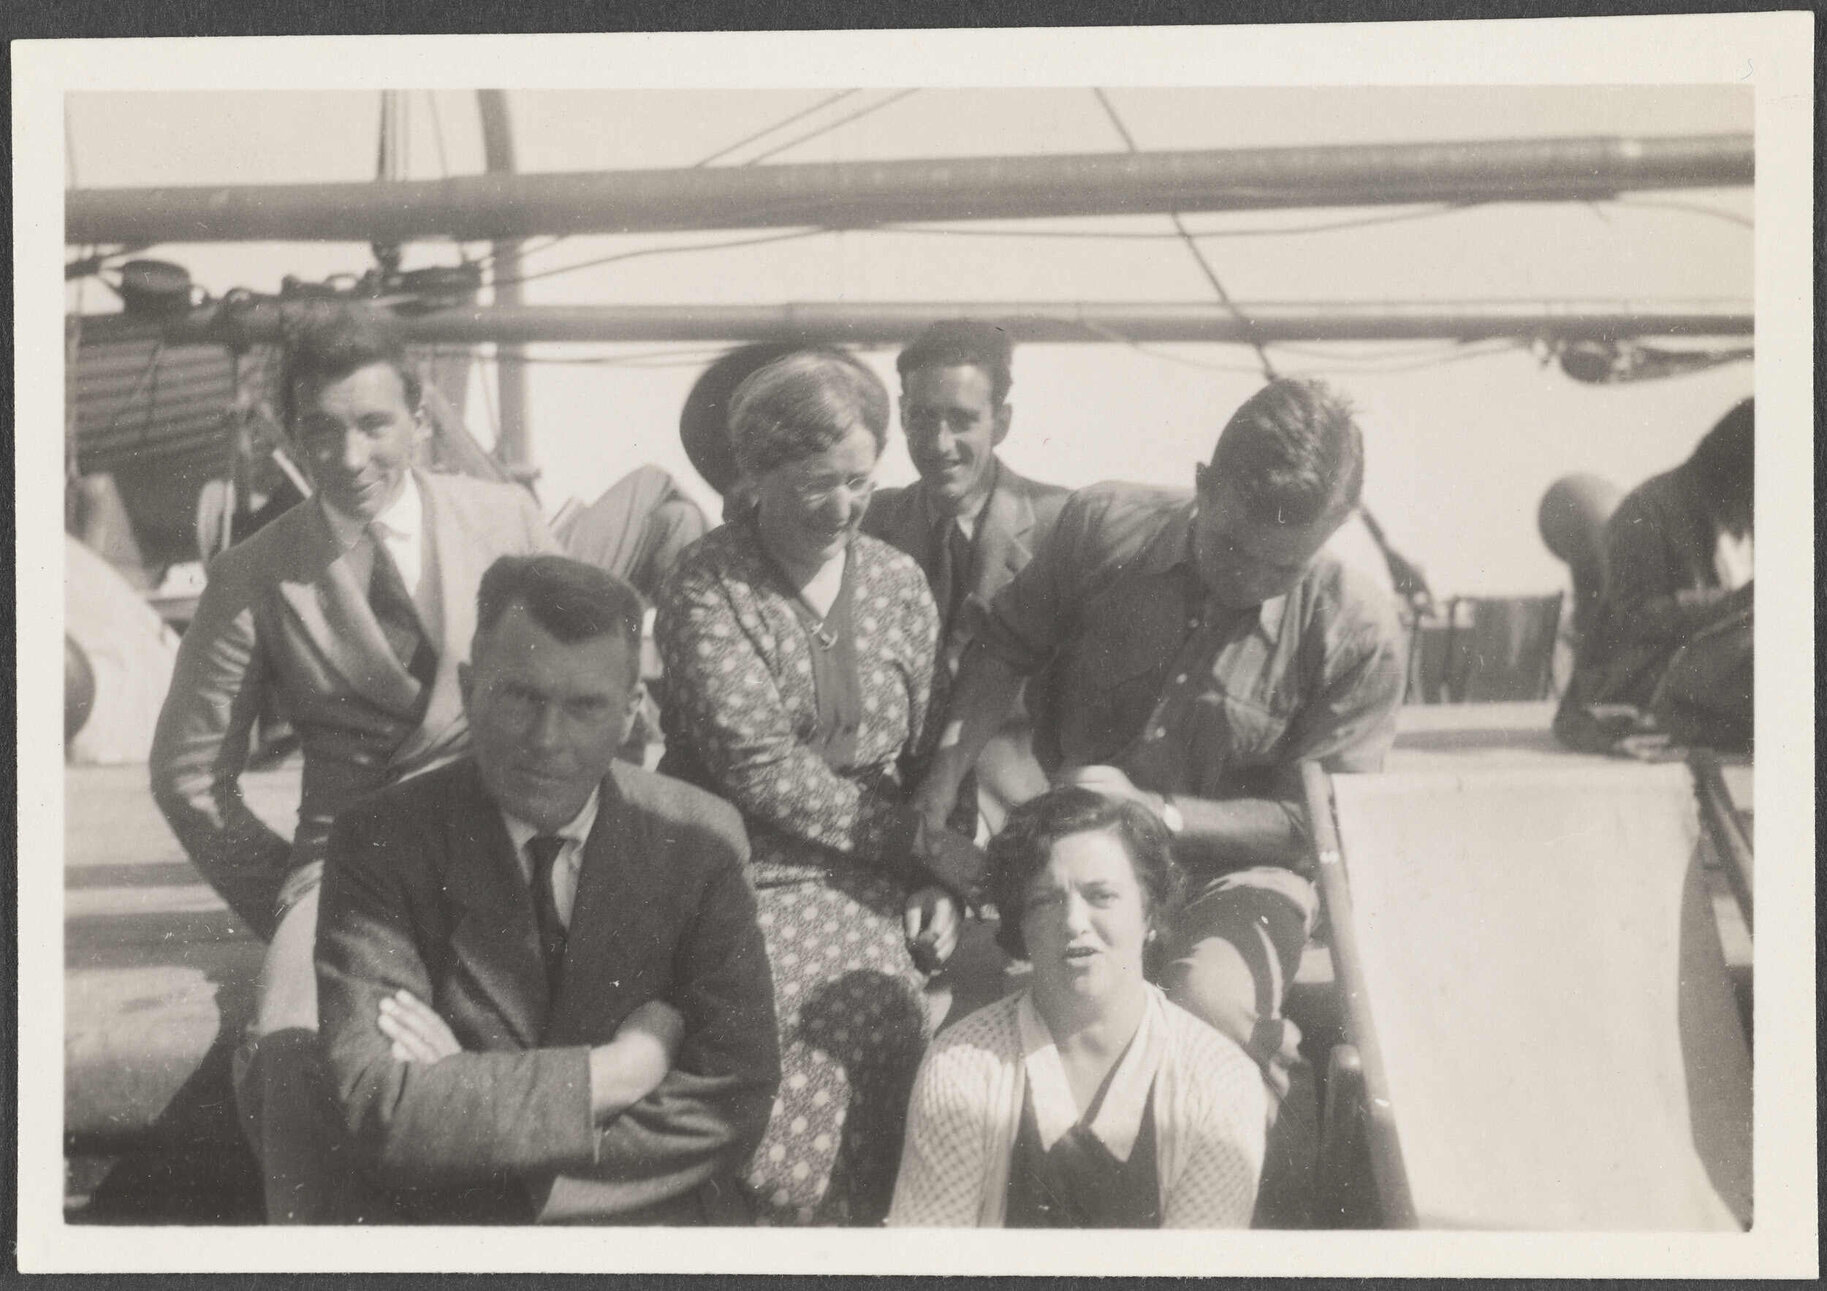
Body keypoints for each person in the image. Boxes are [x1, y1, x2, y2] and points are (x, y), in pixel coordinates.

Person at [149, 305, 558, 1222]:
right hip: (346, 866)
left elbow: (598, 700)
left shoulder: (509, 519)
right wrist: (294, 902)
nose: (348, 455)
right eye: (320, 429)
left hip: (510, 845)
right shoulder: (254, 573)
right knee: (296, 1048)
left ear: (420, 414)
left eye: (373, 423)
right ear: (292, 434)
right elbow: (187, 775)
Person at [913, 376, 1406, 1108]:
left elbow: (1318, 824)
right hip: (1077, 854)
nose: (1251, 580)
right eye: (1234, 547)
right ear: (1202, 485)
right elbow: (1004, 649)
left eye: (1285, 566)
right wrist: (942, 776)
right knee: (968, 1022)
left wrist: (1157, 811)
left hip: (1237, 875)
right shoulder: (1101, 525)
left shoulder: (1357, 630)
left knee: (1206, 1012)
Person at [315, 556, 779, 1223]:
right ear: (471, 689)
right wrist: (615, 1072)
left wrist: (474, 1115)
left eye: (585, 705)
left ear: (630, 714)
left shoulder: (700, 839)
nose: (546, 740)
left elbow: (733, 1094)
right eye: (520, 697)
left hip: (646, 1229)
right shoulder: (381, 839)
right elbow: (379, 1104)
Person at [653, 349, 986, 1225]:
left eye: (858, 481)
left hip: (879, 865)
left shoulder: (897, 581)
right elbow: (759, 768)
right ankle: (788, 1228)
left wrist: (936, 877)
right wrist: (915, 846)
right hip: (737, 859)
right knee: (796, 1016)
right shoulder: (705, 584)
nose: (841, 508)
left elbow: (928, 759)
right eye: (812, 485)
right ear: (753, 477)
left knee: (891, 1008)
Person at [888, 787, 1266, 1227]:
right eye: (1046, 900)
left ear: (1148, 912)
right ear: (1021, 924)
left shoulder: (1220, 1080)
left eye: (1101, 895)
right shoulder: (963, 1067)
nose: (1073, 922)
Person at [862, 319, 1069, 833]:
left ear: (1000, 423)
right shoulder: (869, 525)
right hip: (898, 814)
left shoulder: (1063, 527)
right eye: (922, 417)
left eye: (961, 420)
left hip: (1025, 817)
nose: (939, 442)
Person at [1556, 398, 1753, 753]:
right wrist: (1735, 603)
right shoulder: (1648, 512)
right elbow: (1632, 620)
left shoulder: (1736, 513)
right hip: (1647, 686)